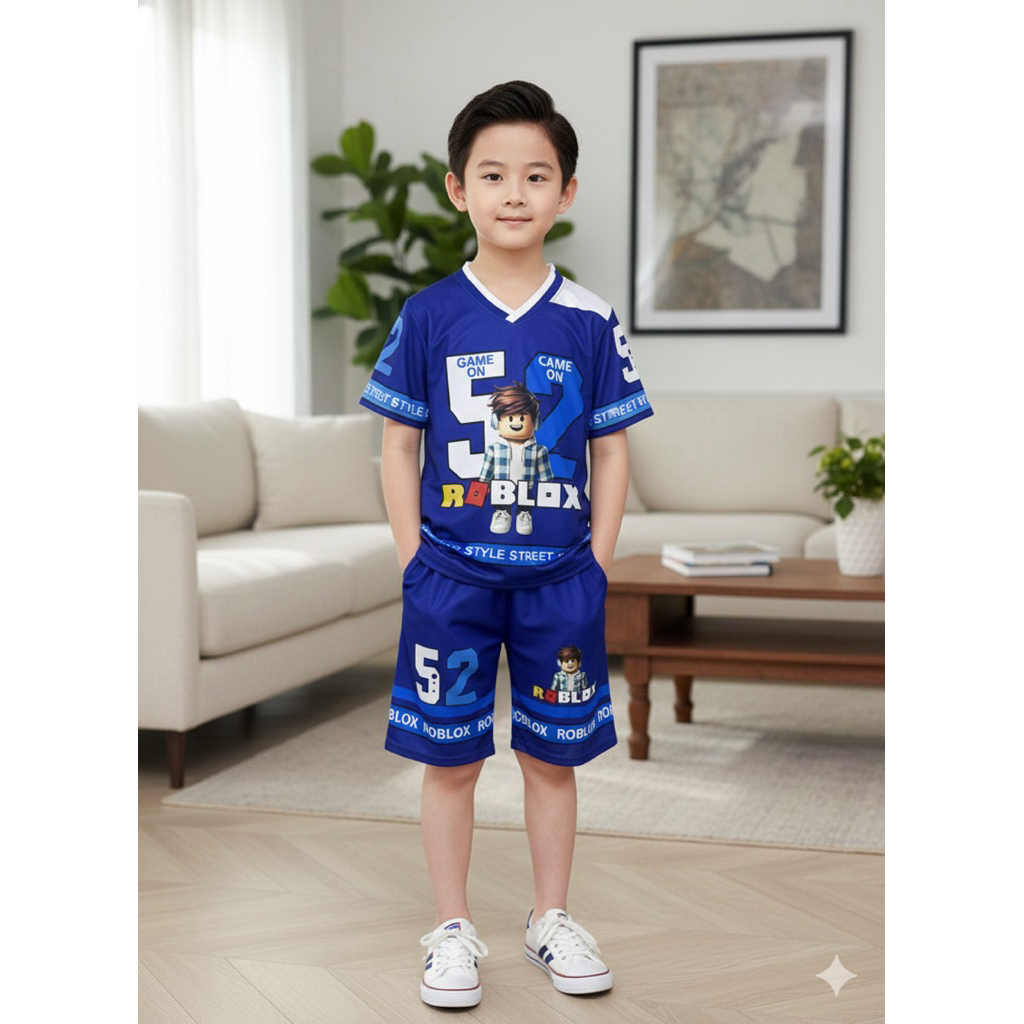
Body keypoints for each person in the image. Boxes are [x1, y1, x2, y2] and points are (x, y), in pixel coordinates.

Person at [359, 80, 653, 1009]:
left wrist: (597, 561)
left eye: (536, 174)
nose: (514, 193)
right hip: (449, 577)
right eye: (493, 174)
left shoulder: (590, 318)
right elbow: (398, 443)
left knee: (551, 758)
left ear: (567, 191)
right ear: (459, 189)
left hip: (560, 579)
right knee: (450, 759)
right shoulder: (428, 313)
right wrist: (413, 557)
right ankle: (451, 930)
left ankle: (549, 918)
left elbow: (613, 446)